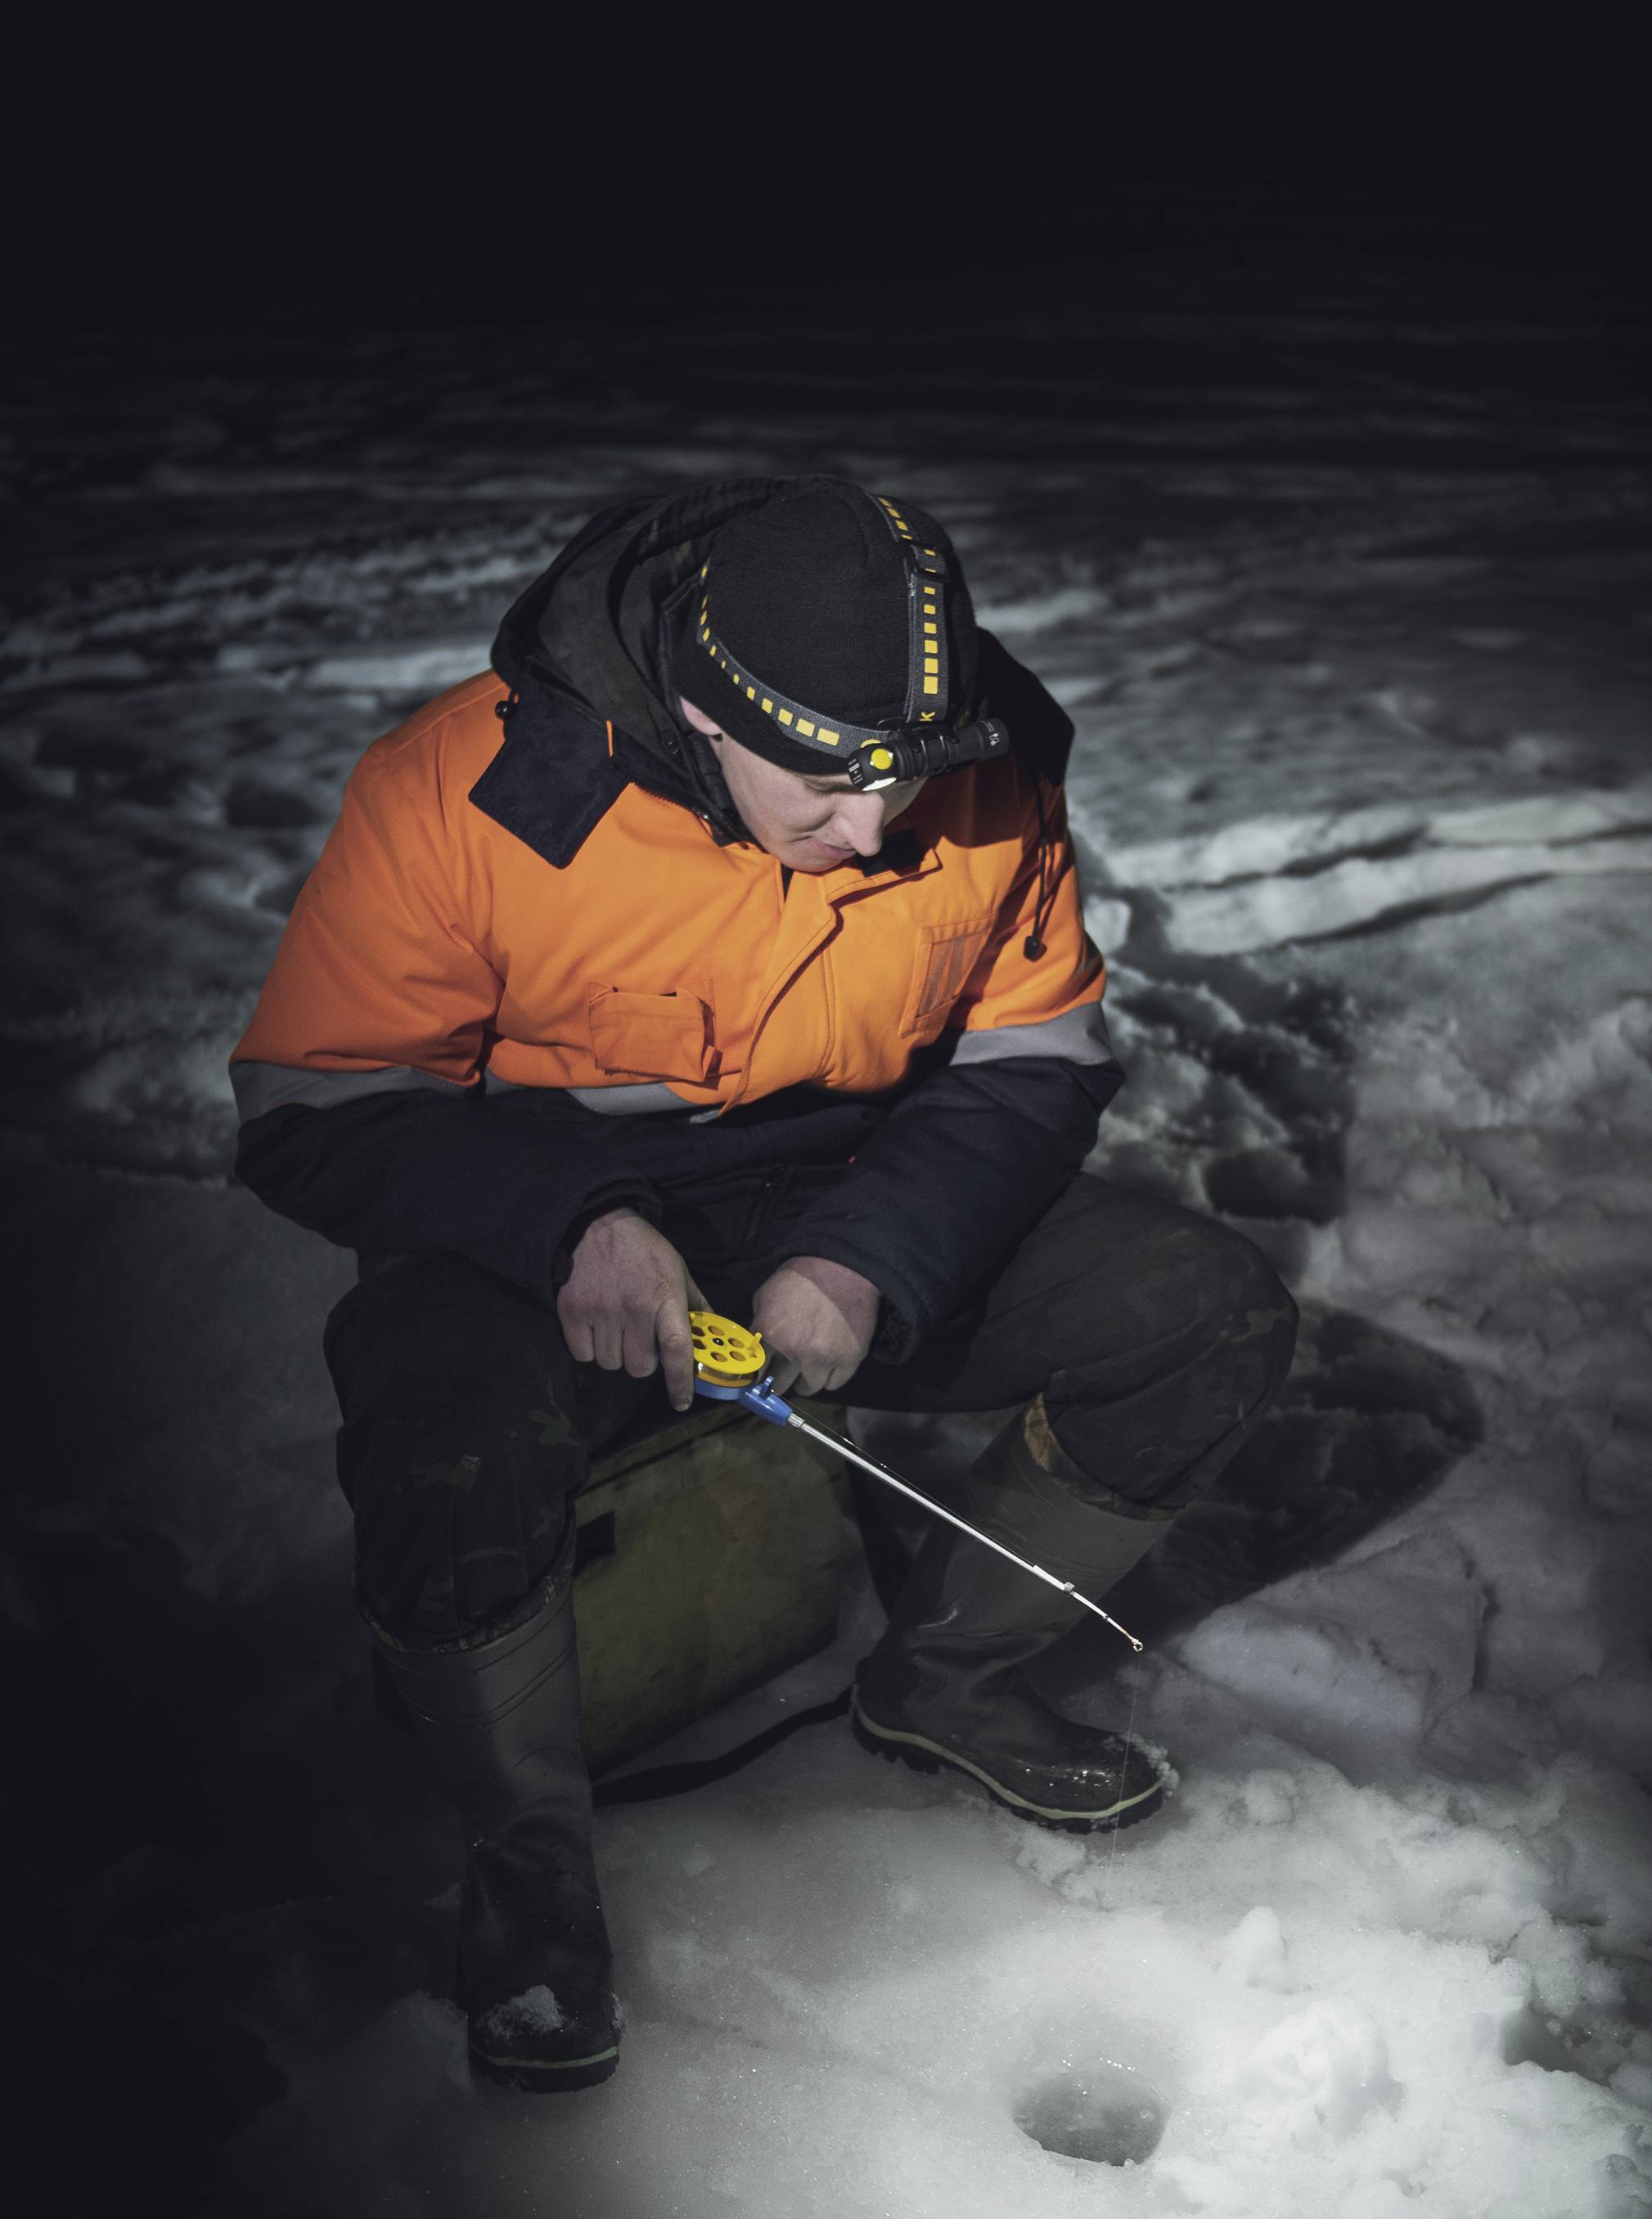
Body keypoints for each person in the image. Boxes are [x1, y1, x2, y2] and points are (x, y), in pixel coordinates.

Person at [231, 478, 1298, 2092]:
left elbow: (1035, 1052)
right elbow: (316, 1102)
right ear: (692, 710)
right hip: (531, 1221)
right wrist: (569, 1225)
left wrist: (870, 1253)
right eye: (827, 783)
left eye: (908, 780)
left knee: (1201, 1308)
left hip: (852, 1192)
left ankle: (949, 1680)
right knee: (445, 1440)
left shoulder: (983, 761)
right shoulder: (474, 786)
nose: (876, 832)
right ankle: (526, 1877)